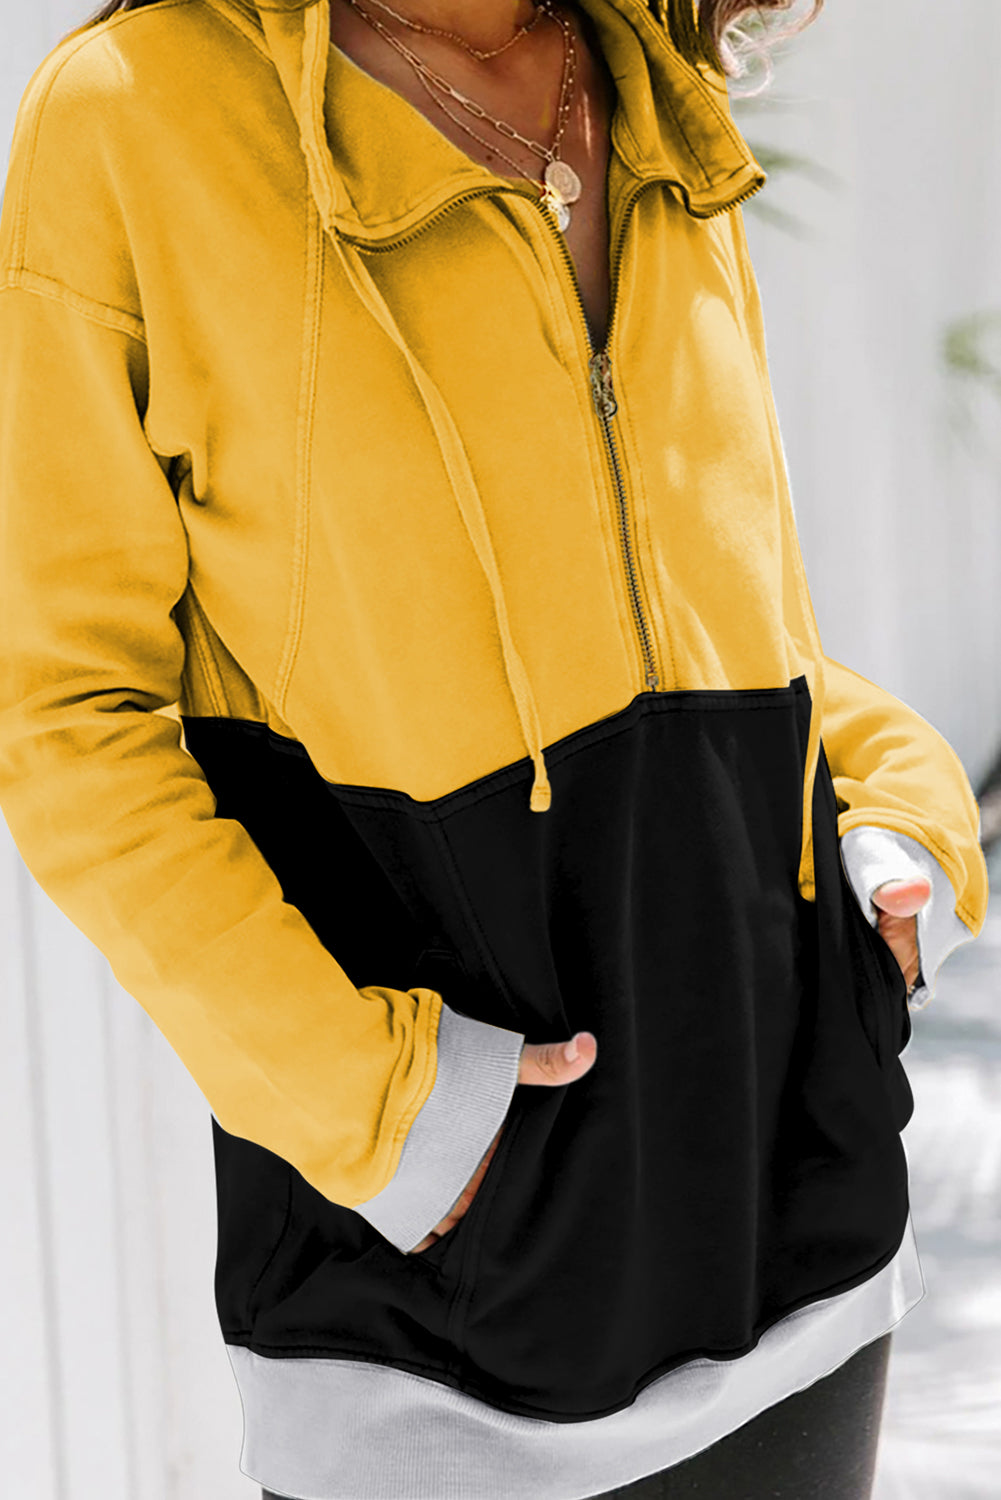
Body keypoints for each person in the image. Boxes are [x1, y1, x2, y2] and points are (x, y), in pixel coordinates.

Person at [0, 0, 988, 1496]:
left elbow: (697, 607)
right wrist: (389, 1114)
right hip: (442, 1314)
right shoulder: (138, 114)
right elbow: (66, 715)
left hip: (792, 1220)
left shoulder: (644, 71)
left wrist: (894, 803)